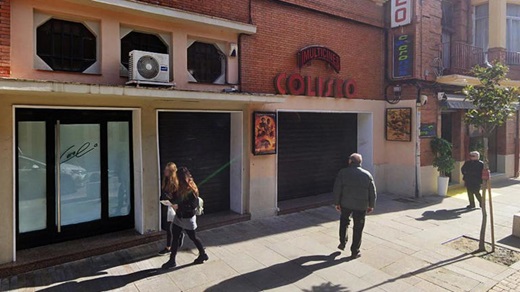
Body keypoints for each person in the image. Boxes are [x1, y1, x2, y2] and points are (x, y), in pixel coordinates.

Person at [162, 166, 208, 269]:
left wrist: (179, 206)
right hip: (179, 217)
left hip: (188, 218)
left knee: (193, 237)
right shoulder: (178, 187)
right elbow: (176, 198)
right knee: (175, 237)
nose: (176, 179)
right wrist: (170, 198)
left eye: (177, 177)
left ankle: (203, 254)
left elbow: (193, 205)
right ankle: (172, 260)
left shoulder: (191, 189)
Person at [333, 153, 377, 259]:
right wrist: (371, 205)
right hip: (361, 206)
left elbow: (337, 188)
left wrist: (337, 202)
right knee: (358, 228)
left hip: (345, 204)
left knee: (344, 222)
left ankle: (342, 242)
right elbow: (372, 192)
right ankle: (355, 251)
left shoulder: (343, 173)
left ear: (350, 161)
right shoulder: (367, 174)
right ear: (360, 162)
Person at [158, 162, 184, 255]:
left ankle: (169, 247)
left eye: (167, 170)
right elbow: (164, 192)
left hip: (174, 207)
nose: (165, 171)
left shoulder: (176, 182)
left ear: (171, 172)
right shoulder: (165, 180)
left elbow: (179, 197)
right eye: (165, 169)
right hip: (168, 206)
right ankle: (171, 244)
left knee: (171, 227)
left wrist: (171, 200)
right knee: (168, 227)